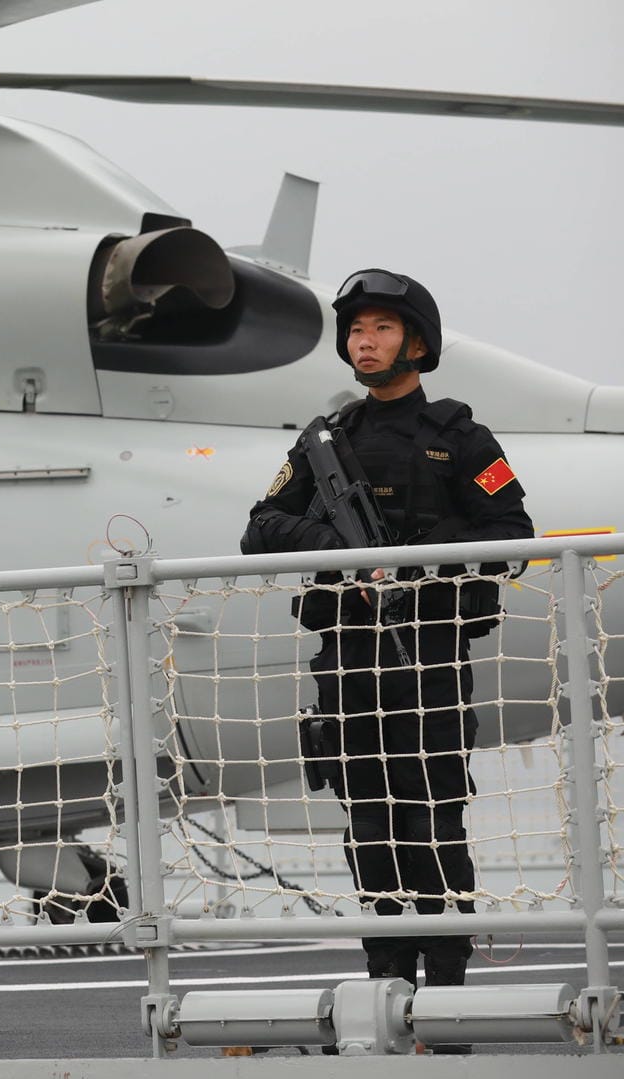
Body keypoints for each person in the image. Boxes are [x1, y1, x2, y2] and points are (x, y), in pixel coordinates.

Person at [242, 270, 531, 1030]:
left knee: (434, 818)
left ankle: (447, 995)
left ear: (417, 342)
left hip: (429, 653)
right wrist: (342, 546)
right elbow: (262, 525)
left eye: (380, 329)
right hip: (348, 657)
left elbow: (511, 536)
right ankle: (385, 980)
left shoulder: (461, 439)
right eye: (356, 331)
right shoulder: (327, 442)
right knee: (367, 819)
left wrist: (415, 556)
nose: (363, 343)